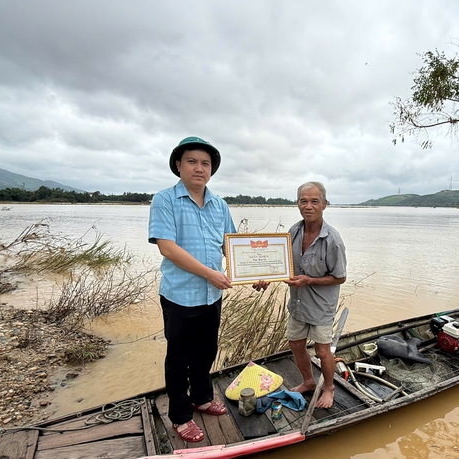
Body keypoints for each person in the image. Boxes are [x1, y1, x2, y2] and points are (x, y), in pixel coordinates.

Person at [148, 136, 236, 443]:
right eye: (192, 161)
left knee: (206, 352)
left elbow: (231, 247)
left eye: (205, 163)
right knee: (178, 358)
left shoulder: (219, 205)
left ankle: (202, 398)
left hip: (212, 296)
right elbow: (167, 248)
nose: (199, 168)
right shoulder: (165, 200)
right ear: (178, 165)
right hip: (180, 295)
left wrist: (256, 273)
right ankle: (181, 416)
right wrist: (211, 273)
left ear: (211, 170)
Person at [255, 182, 347, 408]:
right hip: (297, 303)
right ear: (297, 204)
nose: (308, 206)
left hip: (321, 305)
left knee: (323, 350)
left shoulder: (332, 240)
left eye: (314, 201)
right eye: (303, 201)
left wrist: (310, 281)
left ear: (324, 204)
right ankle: (308, 381)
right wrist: (266, 276)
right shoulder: (292, 232)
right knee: (295, 343)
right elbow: (281, 265)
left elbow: (340, 277)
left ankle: (328, 387)